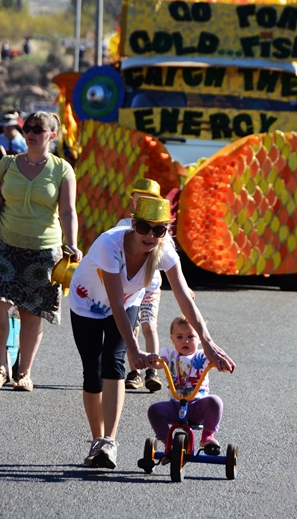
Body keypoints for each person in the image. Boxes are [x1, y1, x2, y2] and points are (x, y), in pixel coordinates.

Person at [69, 196, 235, 470]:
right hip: (87, 301)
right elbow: (114, 304)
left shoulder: (165, 249)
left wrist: (207, 341)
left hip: (127, 302)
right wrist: (135, 348)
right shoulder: (109, 245)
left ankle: (108, 442)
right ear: (133, 224)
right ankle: (96, 438)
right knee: (93, 368)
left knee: (114, 360)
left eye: (159, 229)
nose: (150, 235)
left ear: (166, 231)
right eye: (145, 227)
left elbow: (184, 296)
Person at [0, 111, 83, 391]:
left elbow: (68, 211)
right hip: (4, 246)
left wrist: (72, 243)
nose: (31, 132)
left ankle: (24, 372)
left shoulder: (62, 169)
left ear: (52, 136)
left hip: (43, 249)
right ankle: (0, 366)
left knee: (31, 311)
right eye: (28, 127)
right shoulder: (7, 164)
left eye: (39, 128)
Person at [148, 314, 224, 461]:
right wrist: (151, 360)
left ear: (200, 339)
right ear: (172, 339)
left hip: (197, 406)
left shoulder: (203, 356)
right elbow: (158, 363)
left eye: (190, 336)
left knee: (215, 401)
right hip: (175, 406)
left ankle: (207, 436)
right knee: (155, 410)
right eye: (180, 337)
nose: (185, 341)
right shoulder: (168, 354)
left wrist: (221, 362)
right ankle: (167, 442)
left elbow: (216, 359)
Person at [119, 178, 164, 392]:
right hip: (131, 288)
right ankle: (134, 371)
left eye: (148, 200)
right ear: (132, 203)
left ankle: (152, 371)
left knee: (149, 326)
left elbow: (170, 257)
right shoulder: (122, 226)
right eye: (138, 200)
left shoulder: (160, 229)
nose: (141, 204)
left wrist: (186, 286)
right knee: (132, 329)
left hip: (151, 286)